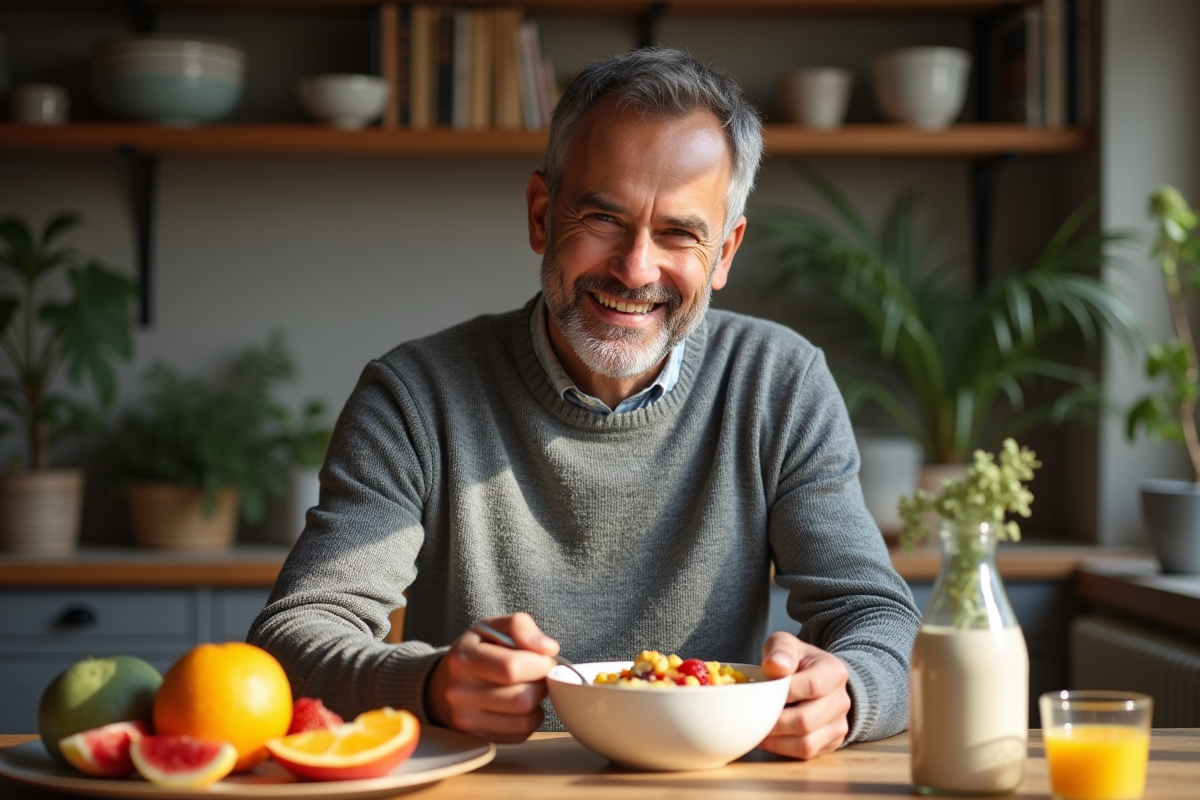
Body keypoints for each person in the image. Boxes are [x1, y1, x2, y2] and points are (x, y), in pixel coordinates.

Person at [249, 46, 921, 761]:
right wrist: (432, 684)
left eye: (679, 234)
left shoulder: (779, 381)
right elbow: (294, 637)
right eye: (604, 218)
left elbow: (877, 617)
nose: (635, 269)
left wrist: (847, 691)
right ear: (542, 215)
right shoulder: (415, 395)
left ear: (725, 252)